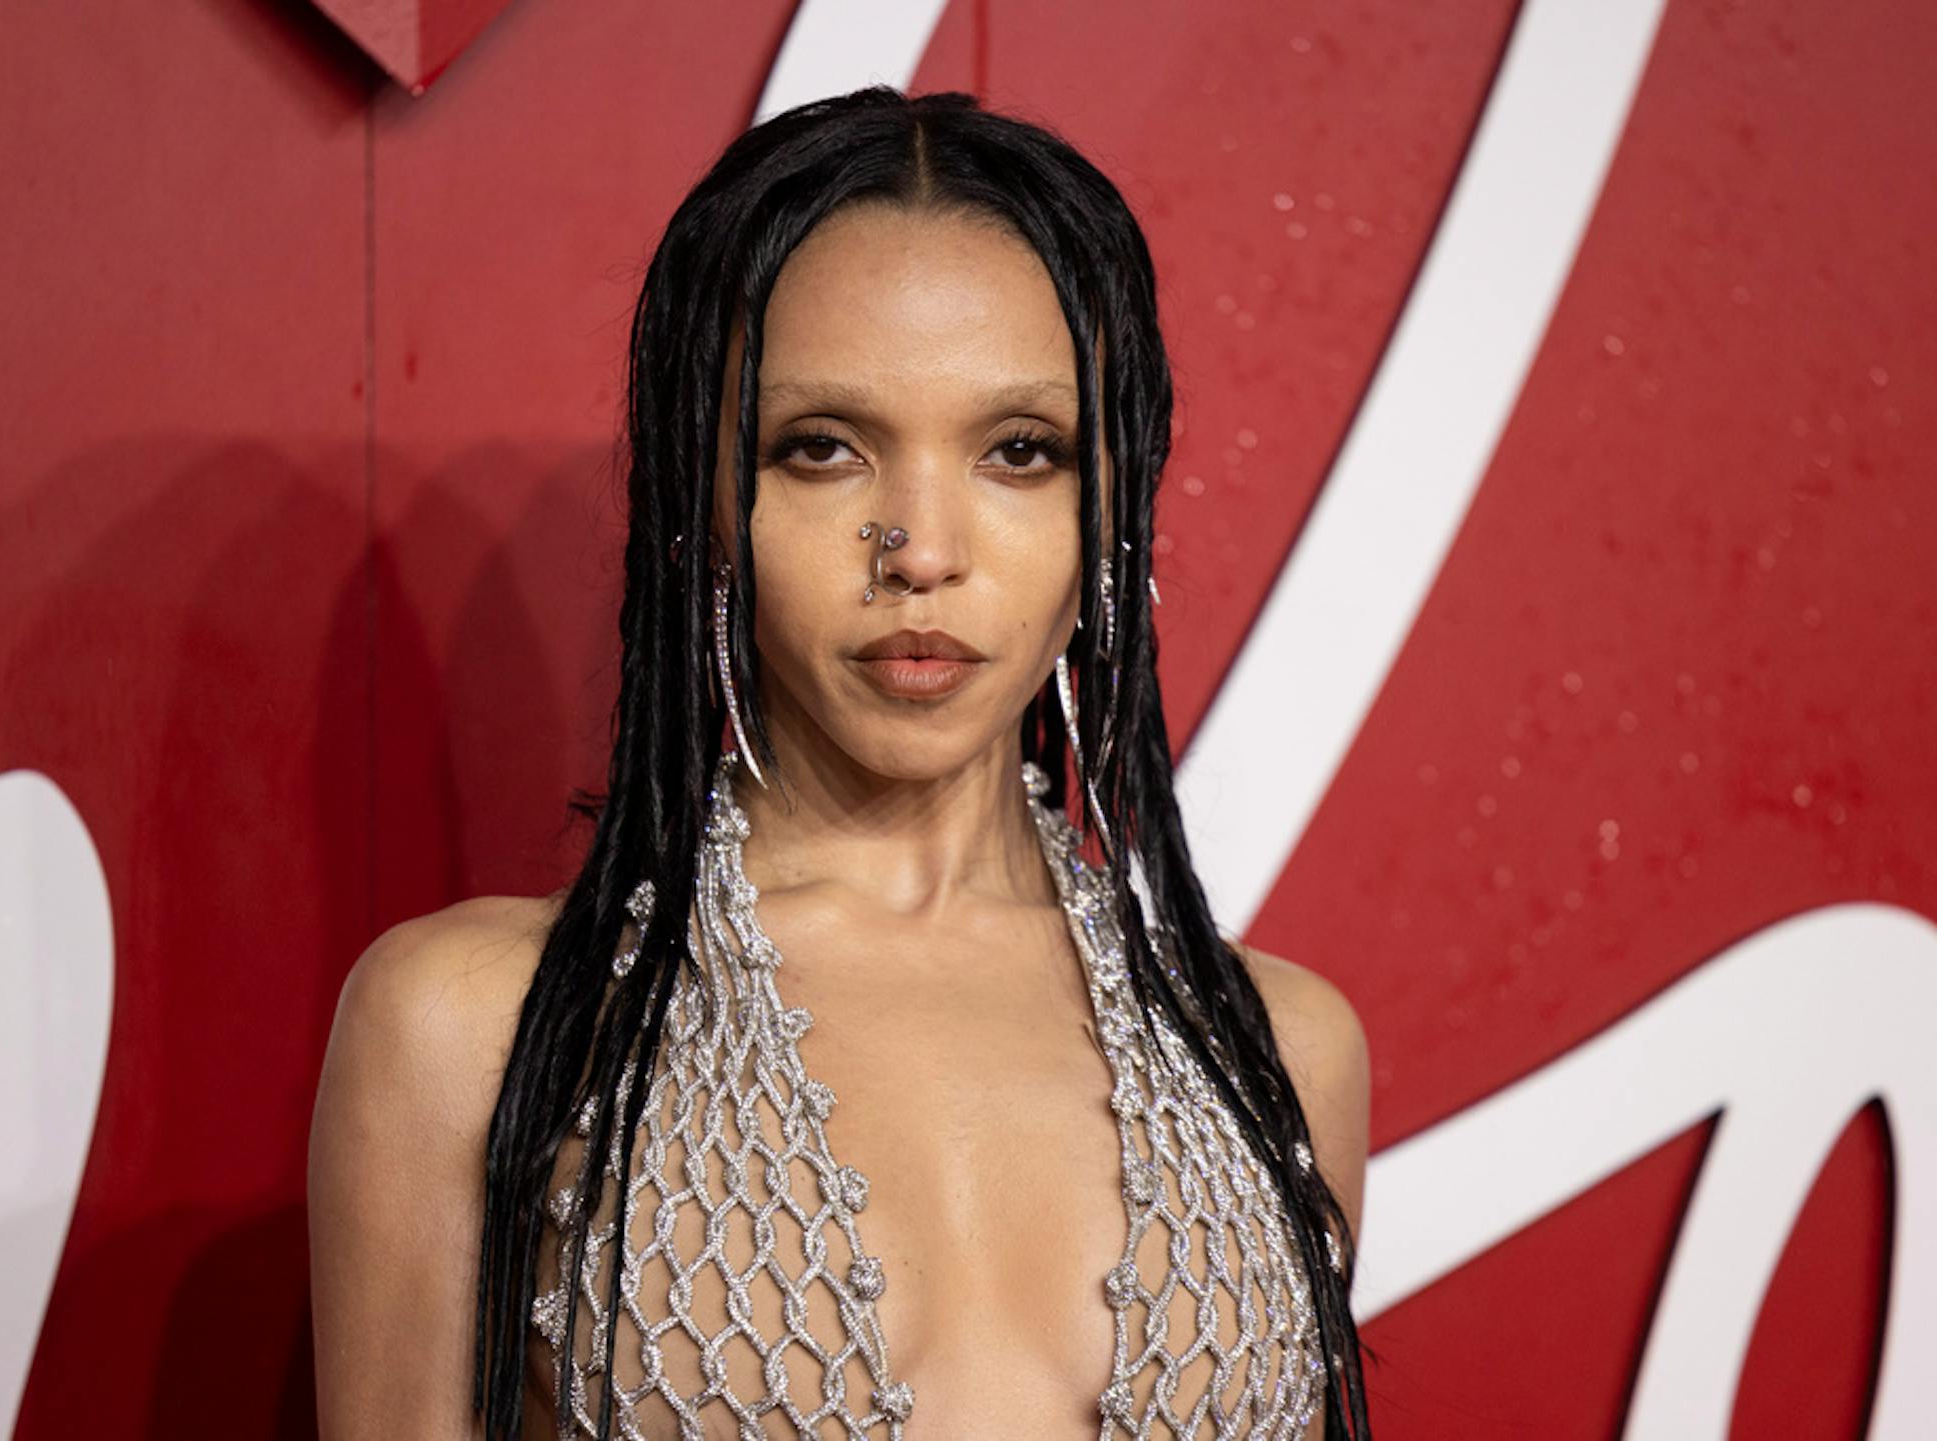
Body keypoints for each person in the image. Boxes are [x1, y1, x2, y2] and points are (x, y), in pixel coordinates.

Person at [308, 86, 1373, 1441]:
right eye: (821, 448)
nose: (921, 547)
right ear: (702, 502)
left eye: (1018, 451)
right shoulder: (474, 1031)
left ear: (1114, 498)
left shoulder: (1275, 1054)